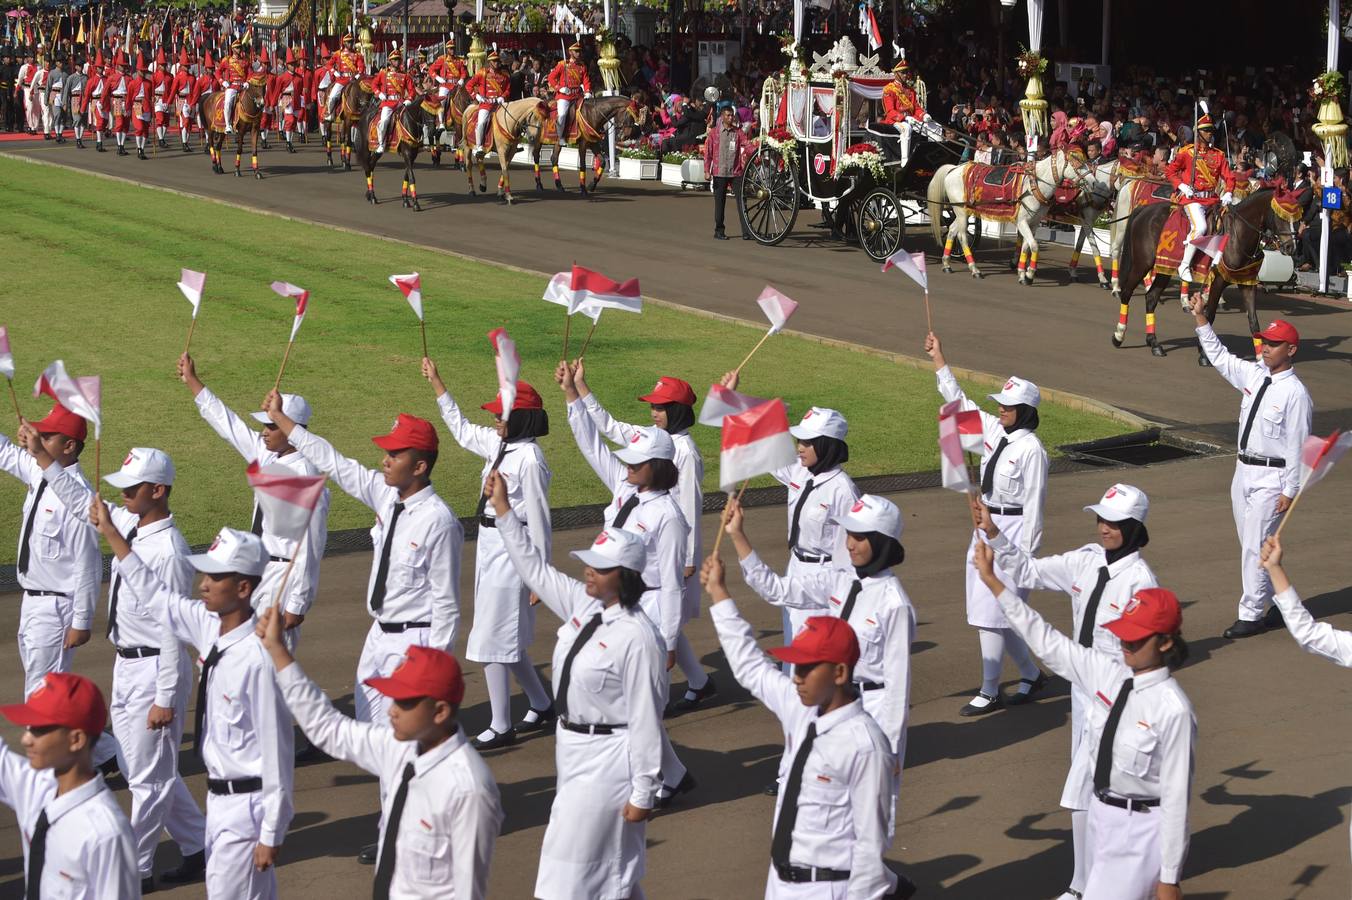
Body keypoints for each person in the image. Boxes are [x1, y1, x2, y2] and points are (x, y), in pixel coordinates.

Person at [264, 395, 462, 864]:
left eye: (394, 454)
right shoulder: (385, 496)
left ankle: (414, 835)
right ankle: (395, 827)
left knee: (408, 748)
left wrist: (436, 673)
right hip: (378, 638)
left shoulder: (439, 520)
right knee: (380, 746)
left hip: (413, 644)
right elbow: (334, 460)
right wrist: (285, 425)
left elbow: (447, 604)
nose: (384, 460)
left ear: (420, 465)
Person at [26, 444, 207, 892]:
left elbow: (172, 628)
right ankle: (199, 844)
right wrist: (45, 460)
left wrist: (166, 698)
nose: (123, 494)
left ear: (158, 491)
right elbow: (78, 501)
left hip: (155, 671)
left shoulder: (167, 549)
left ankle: (136, 867)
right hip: (127, 665)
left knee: (146, 782)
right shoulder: (130, 522)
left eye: (132, 488)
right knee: (145, 771)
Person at [974, 541, 1194, 900]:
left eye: (1136, 638)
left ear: (1166, 643)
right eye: (1124, 633)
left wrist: (1170, 877)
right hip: (1103, 823)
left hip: (1141, 834)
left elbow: (1177, 798)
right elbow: (1046, 640)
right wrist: (993, 583)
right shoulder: (1107, 674)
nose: (1125, 643)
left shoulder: (1173, 709)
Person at [92, 513, 295, 900]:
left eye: (214, 577)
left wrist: (272, 832)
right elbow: (155, 595)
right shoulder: (208, 625)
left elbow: (278, 751)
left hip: (248, 808)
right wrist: (114, 535)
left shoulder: (258, 658)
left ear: (242, 587)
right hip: (217, 802)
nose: (203, 584)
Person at [485, 471, 666, 900]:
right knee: (608, 876)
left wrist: (645, 790)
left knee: (570, 876)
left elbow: (646, 718)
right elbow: (532, 568)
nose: (588, 571)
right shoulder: (585, 604)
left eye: (599, 568)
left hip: (610, 760)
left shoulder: (639, 637)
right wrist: (505, 510)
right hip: (571, 748)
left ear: (624, 576)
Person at [258, 604, 503, 898]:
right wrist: (278, 651)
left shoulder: (469, 789)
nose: (392, 710)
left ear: (439, 711)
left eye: (405, 702)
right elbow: (328, 727)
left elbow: (468, 890)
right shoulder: (398, 745)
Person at [701, 555, 907, 899]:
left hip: (827, 888)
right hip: (780, 882)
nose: (795, 677)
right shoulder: (801, 707)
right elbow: (750, 665)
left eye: (807, 668)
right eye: (795, 666)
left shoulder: (865, 745)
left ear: (840, 673)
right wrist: (719, 594)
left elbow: (870, 850)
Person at [724, 493, 915, 830]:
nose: (850, 544)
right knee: (824, 806)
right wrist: (738, 536)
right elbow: (776, 590)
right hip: (833, 703)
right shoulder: (840, 579)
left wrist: (892, 751)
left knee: (867, 816)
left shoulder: (894, 604)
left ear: (882, 542)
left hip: (872, 709)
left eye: (859, 537)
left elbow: (898, 685)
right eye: (849, 534)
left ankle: (872, 878)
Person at [557, 360, 696, 808]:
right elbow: (591, 444)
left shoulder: (667, 516)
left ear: (656, 466)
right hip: (622, 605)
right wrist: (571, 397)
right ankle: (671, 774)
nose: (627, 466)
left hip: (652, 610)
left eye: (637, 461)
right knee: (632, 703)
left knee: (641, 707)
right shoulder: (624, 487)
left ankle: (652, 784)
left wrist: (671, 638)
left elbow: (673, 584)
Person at [422, 357, 555, 749]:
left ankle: (501, 724)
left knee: (491, 638)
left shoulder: (530, 459)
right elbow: (461, 431)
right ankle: (541, 701)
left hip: (515, 551)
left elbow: (541, 518)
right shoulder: (501, 445)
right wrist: (438, 383)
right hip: (490, 546)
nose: (496, 419)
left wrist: (540, 573)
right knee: (504, 636)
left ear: (522, 418)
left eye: (501, 414)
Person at [571, 362, 716, 712]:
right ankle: (699, 681)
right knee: (666, 626)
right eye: (652, 405)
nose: (654, 412)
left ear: (678, 411)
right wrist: (581, 391)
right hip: (642, 560)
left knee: (662, 622)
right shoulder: (652, 448)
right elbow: (608, 429)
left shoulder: (682, 452)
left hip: (664, 554)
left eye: (661, 407)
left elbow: (687, 507)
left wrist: (688, 560)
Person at [925, 331, 1048, 715]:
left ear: (1024, 411)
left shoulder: (1032, 450)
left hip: (1011, 532)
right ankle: (1029, 673)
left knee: (993, 613)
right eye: (1000, 404)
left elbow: (1035, 506)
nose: (1000, 410)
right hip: (984, 523)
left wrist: (1026, 557)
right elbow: (959, 404)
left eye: (1008, 407)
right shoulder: (997, 432)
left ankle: (990, 688)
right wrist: (939, 359)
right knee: (996, 611)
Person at [179, 355, 330, 650]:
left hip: (281, 582)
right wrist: (194, 383)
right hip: (254, 573)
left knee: (270, 663)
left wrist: (297, 603)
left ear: (292, 428)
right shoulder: (268, 456)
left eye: (271, 426)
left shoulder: (306, 477)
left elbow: (311, 545)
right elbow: (229, 425)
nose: (263, 432)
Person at [1188, 297, 1313, 639]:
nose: (1266, 348)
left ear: (1291, 350)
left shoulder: (1296, 394)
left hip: (1272, 477)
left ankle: (1251, 613)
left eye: (1274, 344)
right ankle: (1278, 602)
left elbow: (1298, 446)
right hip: (1242, 470)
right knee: (1251, 542)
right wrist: (1201, 318)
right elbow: (1220, 358)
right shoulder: (1255, 374)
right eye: (1265, 341)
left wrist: (1290, 490)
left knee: (1253, 545)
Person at [721, 371, 862, 663]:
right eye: (799, 439)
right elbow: (760, 439)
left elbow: (855, 550)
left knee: (814, 655)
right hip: (796, 567)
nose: (799, 446)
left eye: (808, 442)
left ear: (827, 445)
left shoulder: (843, 491)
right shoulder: (799, 470)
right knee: (792, 647)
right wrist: (733, 399)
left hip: (826, 577)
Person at [0, 672, 138, 899]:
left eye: (39, 729)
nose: (26, 739)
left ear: (76, 740)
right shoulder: (36, 784)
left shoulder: (106, 833)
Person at [0, 404, 98, 698]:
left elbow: (88, 565)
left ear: (68, 446)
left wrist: (82, 621)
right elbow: (4, 453)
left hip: (57, 610)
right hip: (31, 602)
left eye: (46, 437)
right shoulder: (39, 471)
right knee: (41, 690)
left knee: (42, 696)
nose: (37, 440)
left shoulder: (80, 497)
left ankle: (72, 744)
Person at [1165, 114, 1237, 282]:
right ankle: (1184, 264)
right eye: (1206, 131)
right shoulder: (1187, 153)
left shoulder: (1218, 155)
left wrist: (1228, 192)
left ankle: (1217, 262)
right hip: (1192, 199)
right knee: (1201, 227)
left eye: (1211, 131)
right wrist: (1181, 185)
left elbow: (1229, 177)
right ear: (1198, 133)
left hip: (1212, 199)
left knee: (1230, 225)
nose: (1210, 134)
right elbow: (1170, 171)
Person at [703, 100, 753, 240]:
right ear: (722, 117)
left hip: (736, 172)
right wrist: (707, 170)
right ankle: (719, 231)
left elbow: (747, 145)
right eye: (728, 115)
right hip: (719, 173)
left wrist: (757, 151)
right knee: (720, 203)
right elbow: (708, 153)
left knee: (742, 201)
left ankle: (746, 231)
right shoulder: (714, 133)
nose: (731, 118)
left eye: (732, 115)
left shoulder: (738, 133)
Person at [880, 61, 930, 166]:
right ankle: (904, 161)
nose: (905, 75)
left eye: (906, 72)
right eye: (903, 72)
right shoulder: (889, 89)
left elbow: (916, 107)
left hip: (912, 119)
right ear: (896, 73)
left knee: (934, 127)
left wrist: (923, 115)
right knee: (906, 128)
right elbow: (890, 111)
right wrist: (904, 118)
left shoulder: (910, 90)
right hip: (895, 120)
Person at [372, 49, 414, 155]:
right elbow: (374, 84)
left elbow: (411, 90)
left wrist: (409, 99)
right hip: (388, 103)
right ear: (390, 61)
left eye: (398, 59)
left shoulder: (405, 75)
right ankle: (381, 144)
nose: (397, 62)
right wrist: (379, 93)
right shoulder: (383, 73)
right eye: (395, 60)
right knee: (384, 122)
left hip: (400, 102)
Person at [466, 52, 510, 153]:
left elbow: (508, 89)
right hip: (486, 104)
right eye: (494, 61)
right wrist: (476, 96)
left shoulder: (504, 75)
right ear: (490, 62)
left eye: (498, 61)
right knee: (481, 123)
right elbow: (469, 85)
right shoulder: (482, 73)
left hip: (499, 104)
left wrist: (503, 97)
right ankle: (479, 146)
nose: (497, 63)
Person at [547, 42, 591, 141]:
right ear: (570, 52)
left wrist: (587, 91)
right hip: (565, 96)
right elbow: (551, 77)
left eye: (579, 51)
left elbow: (586, 80)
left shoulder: (582, 66)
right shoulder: (562, 65)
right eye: (576, 51)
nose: (579, 53)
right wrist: (559, 88)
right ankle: (560, 136)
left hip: (578, 95)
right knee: (562, 114)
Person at [221, 39, 249, 136]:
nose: (239, 49)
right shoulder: (227, 60)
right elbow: (218, 72)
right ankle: (228, 124)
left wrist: (247, 81)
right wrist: (222, 81)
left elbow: (250, 73)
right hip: (232, 86)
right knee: (228, 102)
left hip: (243, 86)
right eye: (237, 47)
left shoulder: (245, 61)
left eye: (240, 47)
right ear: (233, 49)